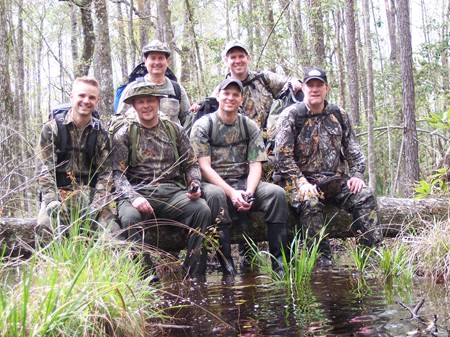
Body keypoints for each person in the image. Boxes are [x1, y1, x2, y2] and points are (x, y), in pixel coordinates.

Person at [274, 67, 383, 267]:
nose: (314, 89)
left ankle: (371, 260)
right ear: (304, 88)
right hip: (298, 183)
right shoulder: (291, 115)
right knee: (310, 202)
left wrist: (357, 175)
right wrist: (301, 182)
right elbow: (282, 157)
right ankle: (323, 264)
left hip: (333, 181)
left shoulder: (338, 114)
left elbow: (354, 151)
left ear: (326, 88)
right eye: (310, 85)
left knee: (365, 195)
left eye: (319, 85)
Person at [190, 78, 290, 276]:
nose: (230, 98)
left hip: (244, 182)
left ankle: (280, 263)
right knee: (217, 196)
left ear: (241, 99)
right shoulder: (203, 126)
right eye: (226, 93)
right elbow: (204, 168)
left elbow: (255, 165)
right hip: (213, 183)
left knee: (276, 194)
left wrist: (250, 193)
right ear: (218, 96)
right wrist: (232, 193)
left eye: (235, 94)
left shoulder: (249, 126)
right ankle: (227, 265)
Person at [112, 81, 210, 279]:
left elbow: (190, 164)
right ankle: (147, 276)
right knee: (130, 218)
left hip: (172, 192)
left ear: (158, 102)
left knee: (201, 210)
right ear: (133, 106)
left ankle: (194, 275)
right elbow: (118, 175)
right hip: (137, 192)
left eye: (150, 100)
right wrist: (134, 197)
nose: (146, 106)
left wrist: (194, 184)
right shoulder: (124, 134)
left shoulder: (175, 130)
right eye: (140, 102)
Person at [37, 76, 119, 238]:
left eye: (91, 97)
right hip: (59, 194)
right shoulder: (52, 129)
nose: (86, 101)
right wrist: (51, 201)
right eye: (82, 96)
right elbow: (44, 170)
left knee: (112, 234)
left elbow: (105, 174)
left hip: (90, 195)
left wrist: (97, 203)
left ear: (97, 101)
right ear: (72, 96)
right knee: (47, 228)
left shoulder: (101, 134)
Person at [219, 39, 302, 130]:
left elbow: (290, 81)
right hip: (240, 141)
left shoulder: (264, 79)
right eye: (233, 57)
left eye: (241, 56)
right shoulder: (222, 90)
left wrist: (294, 82)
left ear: (248, 57)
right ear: (226, 60)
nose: (238, 61)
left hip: (270, 138)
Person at [116, 39, 191, 126]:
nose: (157, 62)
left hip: (172, 138)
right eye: (152, 58)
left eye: (161, 58)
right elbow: (118, 122)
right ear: (145, 60)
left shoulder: (177, 89)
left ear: (167, 61)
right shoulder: (133, 88)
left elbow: (187, 121)